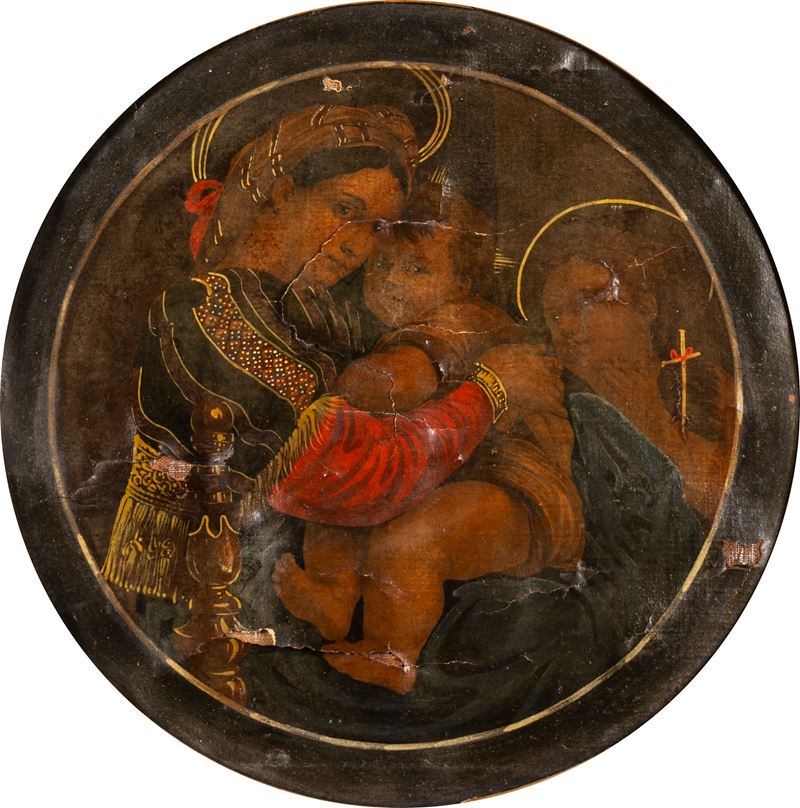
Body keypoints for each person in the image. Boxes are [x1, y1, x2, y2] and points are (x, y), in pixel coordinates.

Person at [99, 103, 556, 639]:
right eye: (343, 208)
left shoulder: (321, 308)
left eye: (375, 227)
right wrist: (493, 388)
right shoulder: (207, 311)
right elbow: (363, 473)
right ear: (282, 191)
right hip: (218, 614)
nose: (357, 243)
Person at [272, 217, 585, 693]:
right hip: (437, 474)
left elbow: (392, 382)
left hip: (519, 490)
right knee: (341, 491)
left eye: (417, 269)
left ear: (462, 283)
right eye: (382, 265)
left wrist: (335, 389)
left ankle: (392, 657)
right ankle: (335, 593)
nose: (392, 280)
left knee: (409, 540)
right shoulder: (387, 328)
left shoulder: (465, 318)